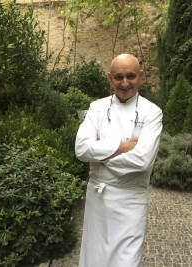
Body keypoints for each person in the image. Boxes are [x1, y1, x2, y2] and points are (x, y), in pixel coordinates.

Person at [75, 54, 163, 267]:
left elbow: (142, 160)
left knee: (126, 260)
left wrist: (101, 157)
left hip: (131, 200)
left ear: (141, 76)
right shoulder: (96, 108)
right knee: (95, 258)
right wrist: (124, 146)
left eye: (131, 76)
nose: (125, 83)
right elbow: (81, 149)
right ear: (109, 77)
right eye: (118, 77)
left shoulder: (152, 112)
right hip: (99, 199)